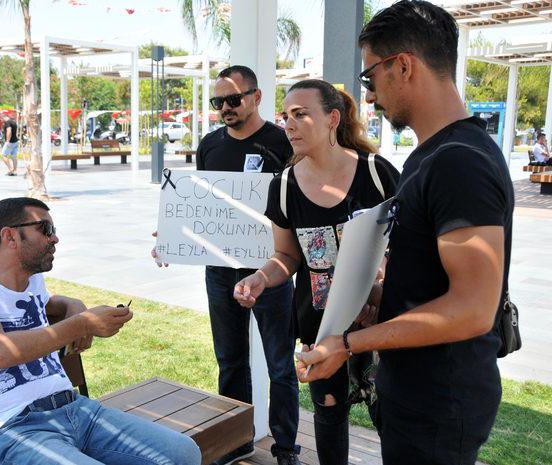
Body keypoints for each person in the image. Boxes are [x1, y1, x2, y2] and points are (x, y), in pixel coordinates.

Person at [295, 2, 515, 465]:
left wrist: (350, 344)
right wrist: (376, 295)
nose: (369, 97)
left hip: (440, 400)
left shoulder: (458, 161)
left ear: (403, 65)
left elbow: (474, 309)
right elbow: (432, 278)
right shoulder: (429, 156)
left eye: (369, 79)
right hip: (417, 390)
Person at [0, 197, 201, 465]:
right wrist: (83, 323)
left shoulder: (33, 282)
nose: (55, 239)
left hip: (75, 410)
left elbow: (51, 301)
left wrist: (73, 304)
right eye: (45, 229)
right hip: (13, 429)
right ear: (9, 236)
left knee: (184, 453)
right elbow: (1, 352)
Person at [233, 80, 399, 465]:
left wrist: (383, 282)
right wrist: (260, 277)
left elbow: (407, 244)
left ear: (332, 120)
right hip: (320, 327)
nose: (289, 124)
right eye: (286, 116)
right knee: (328, 414)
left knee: (391, 416)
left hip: (380, 323)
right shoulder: (285, 186)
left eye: (301, 114)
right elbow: (286, 257)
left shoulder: (377, 173)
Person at [157, 65, 301, 465]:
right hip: (220, 270)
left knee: (280, 364)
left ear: (256, 97)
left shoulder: (281, 142)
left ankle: (286, 447)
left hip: (271, 269)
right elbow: (202, 201)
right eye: (218, 101)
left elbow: (296, 202)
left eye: (233, 99)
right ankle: (237, 441)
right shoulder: (210, 144)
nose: (225, 108)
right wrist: (174, 235)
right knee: (230, 360)